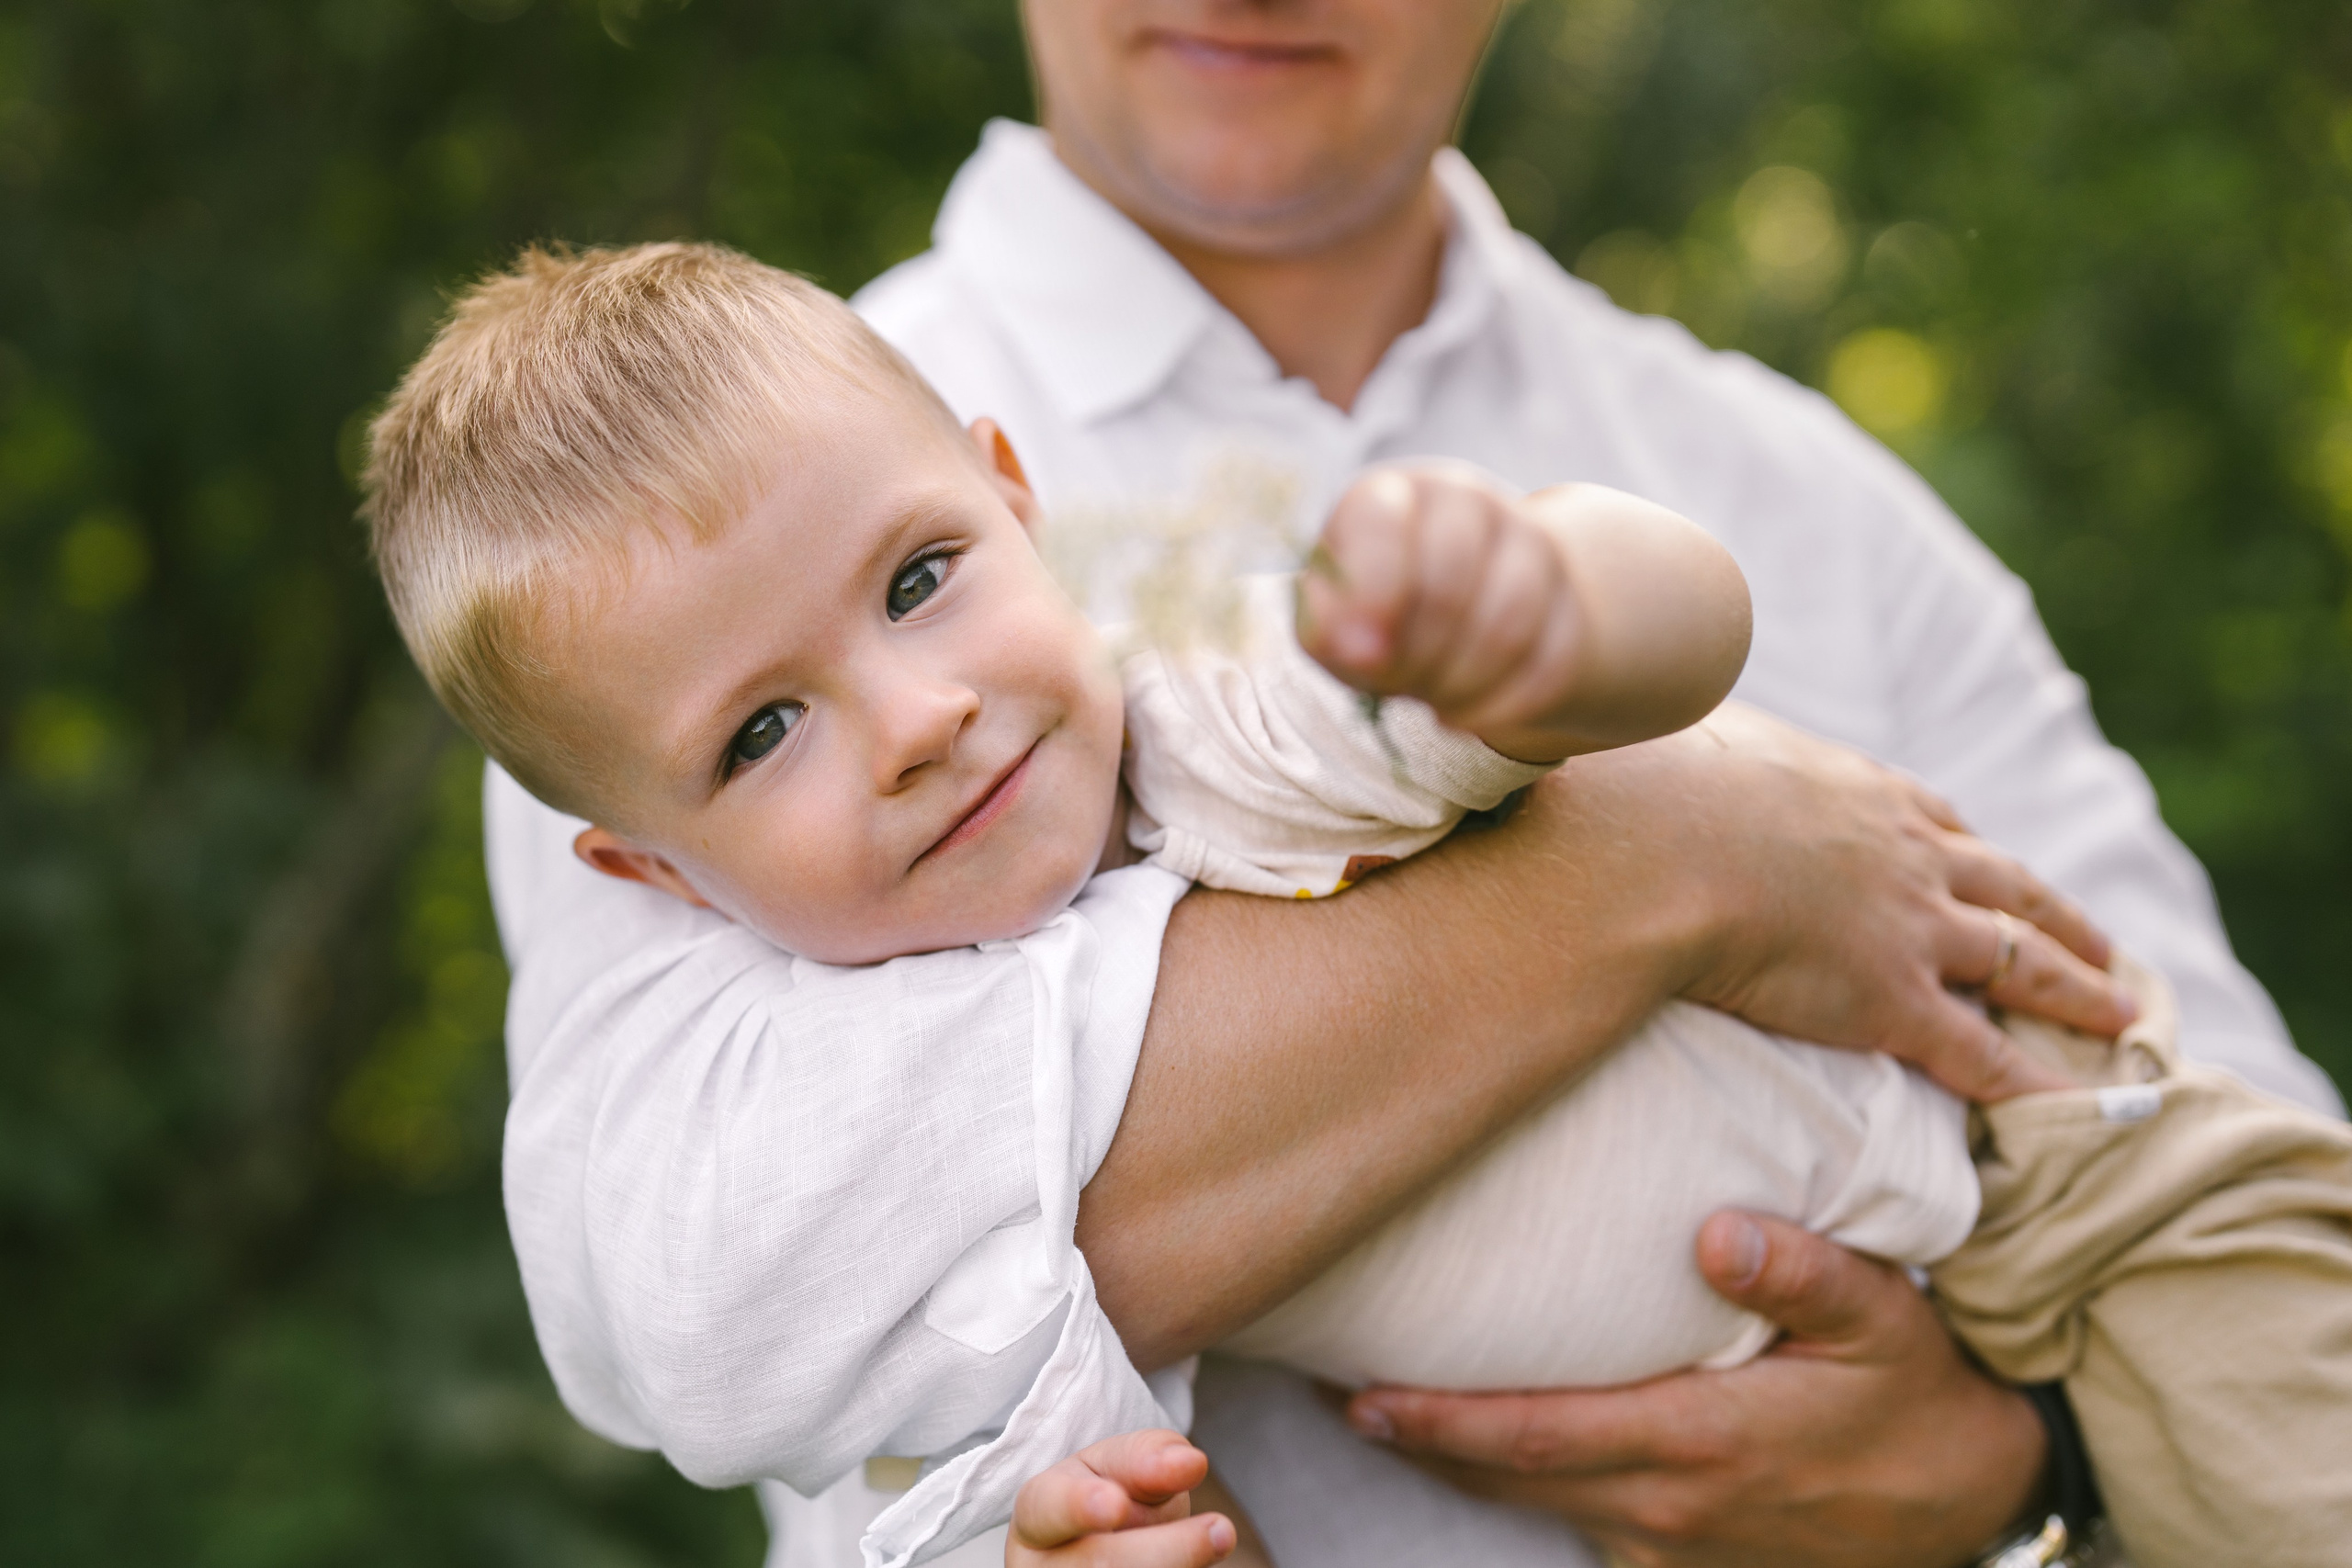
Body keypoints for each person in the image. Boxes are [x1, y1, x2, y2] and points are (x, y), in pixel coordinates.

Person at [448, 6, 2346, 1568]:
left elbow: (2224, 1148)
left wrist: (2016, 1468)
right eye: (771, 731)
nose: (918, 719)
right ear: (660, 857)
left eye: (926, 589)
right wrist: (1665, 861)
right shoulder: (676, 513)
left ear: (1003, 494)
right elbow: (716, 1291)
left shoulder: (1810, 502)